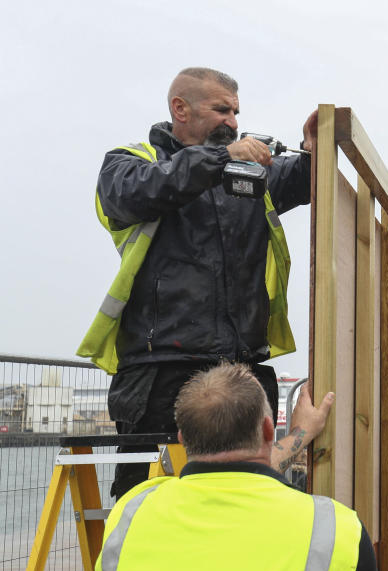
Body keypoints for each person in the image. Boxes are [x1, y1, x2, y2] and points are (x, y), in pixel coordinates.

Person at [76, 67, 317, 497]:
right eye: (221, 109)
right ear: (180, 109)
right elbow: (140, 192)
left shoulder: (248, 174)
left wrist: (314, 151)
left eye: (236, 112)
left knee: (249, 495)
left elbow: (301, 179)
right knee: (144, 502)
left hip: (240, 367)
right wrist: (225, 158)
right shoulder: (131, 163)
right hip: (160, 373)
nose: (233, 122)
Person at [95, 363, 377, 571]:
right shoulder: (334, 528)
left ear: (183, 438)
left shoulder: (129, 514)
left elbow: (228, 467)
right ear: (269, 429)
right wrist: (298, 435)